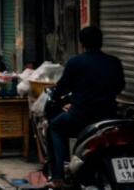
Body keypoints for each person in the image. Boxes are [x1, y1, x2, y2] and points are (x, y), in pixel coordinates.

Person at [46, 26, 125, 188]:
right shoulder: (114, 61)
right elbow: (120, 86)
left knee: (54, 127)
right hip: (109, 117)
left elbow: (61, 87)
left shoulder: (75, 61)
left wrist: (54, 98)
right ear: (101, 42)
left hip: (81, 116)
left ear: (82, 44)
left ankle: (58, 176)